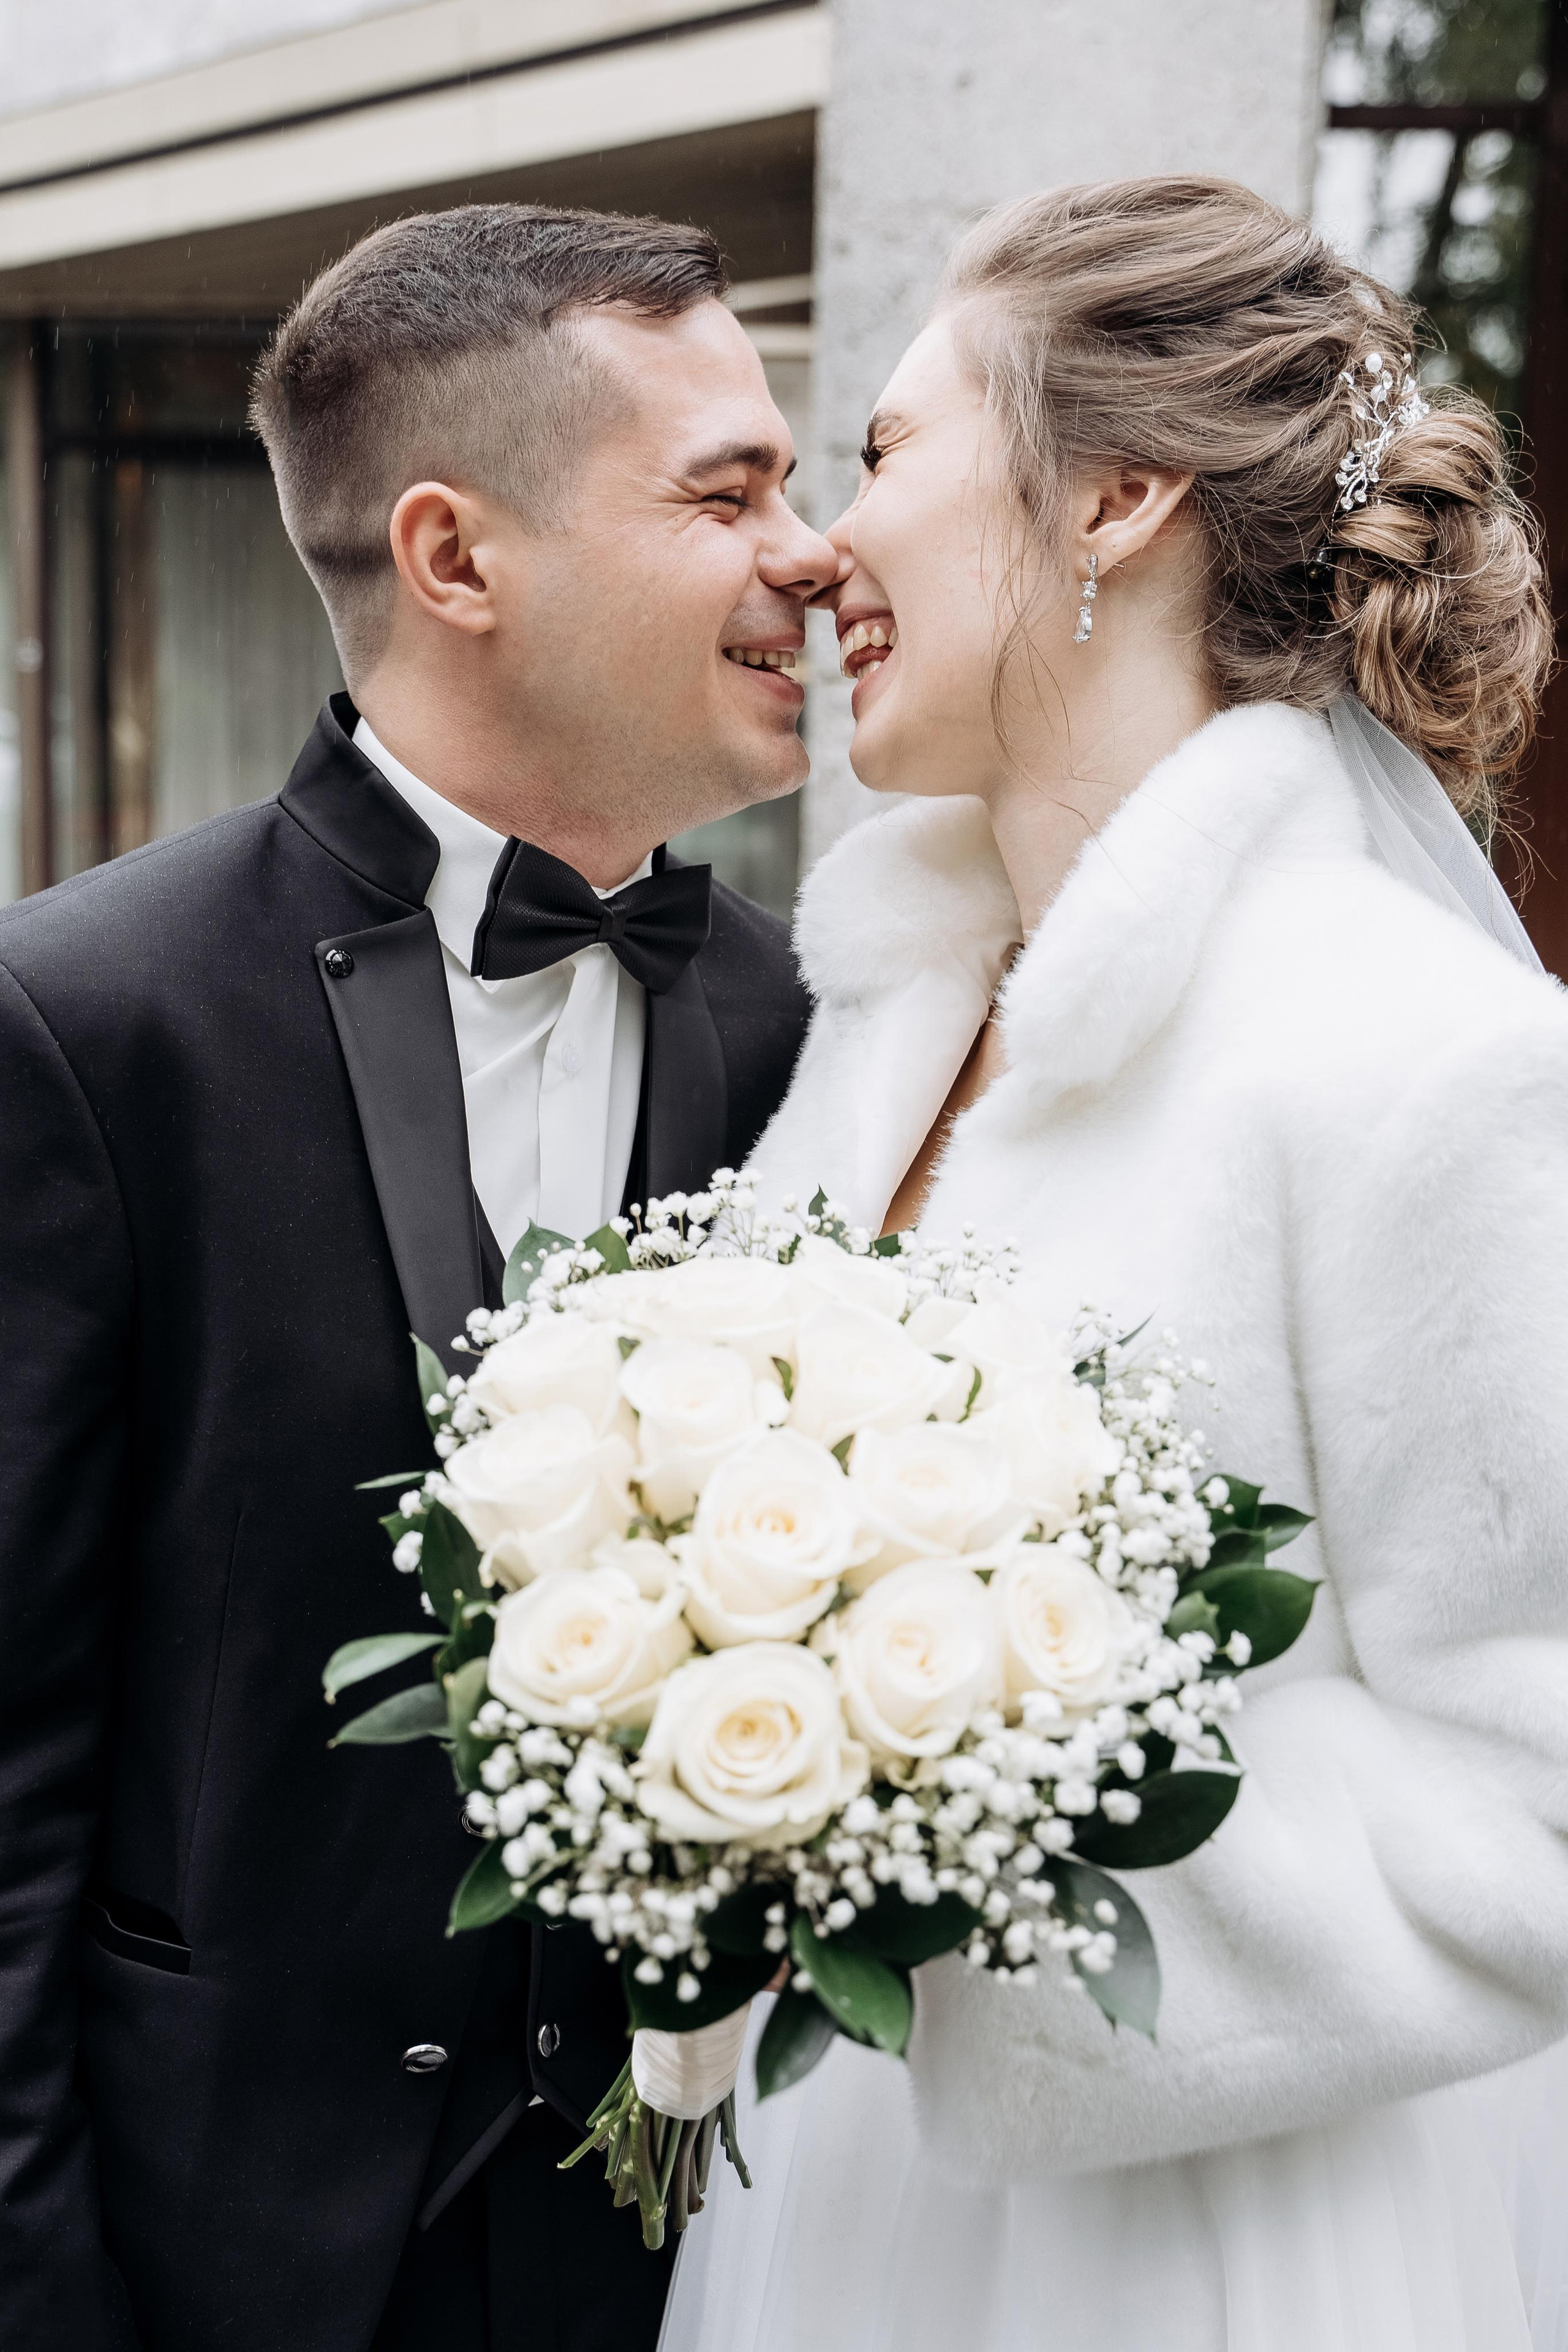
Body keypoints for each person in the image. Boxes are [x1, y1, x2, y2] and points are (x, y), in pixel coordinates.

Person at [665, 176, 1568, 2352]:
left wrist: (980, 1844)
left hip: (1208, 2251)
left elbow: (1536, 1796)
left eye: (882, 455)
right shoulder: (882, 1022)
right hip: (830, 2207)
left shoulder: (1422, 1056)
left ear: (1119, 494)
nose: (820, 550)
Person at [0, 203, 835, 2352]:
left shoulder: (801, 1022)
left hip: (682, 2257)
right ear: (458, 559)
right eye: (728, 490)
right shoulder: (86, 1022)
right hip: (218, 2262)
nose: (813, 555)